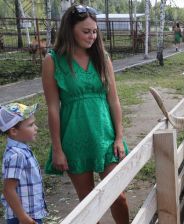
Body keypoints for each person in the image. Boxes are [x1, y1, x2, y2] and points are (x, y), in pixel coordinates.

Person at [41, 4, 129, 224]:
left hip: (105, 138)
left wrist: (119, 137)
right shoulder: (52, 61)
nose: (92, 36)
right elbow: (52, 107)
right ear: (70, 30)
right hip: (74, 140)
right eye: (86, 31)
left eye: (95, 31)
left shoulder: (102, 57)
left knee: (119, 197)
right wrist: (58, 150)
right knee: (89, 205)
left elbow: (114, 100)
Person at [0, 103, 47, 224]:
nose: (36, 128)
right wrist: (23, 217)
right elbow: (8, 190)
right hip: (23, 217)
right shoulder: (17, 155)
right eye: (31, 125)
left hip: (29, 214)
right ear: (14, 131)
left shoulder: (22, 150)